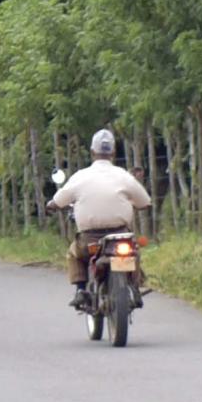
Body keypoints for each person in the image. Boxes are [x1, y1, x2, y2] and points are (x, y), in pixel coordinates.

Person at [48, 128, 151, 309]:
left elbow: (59, 200)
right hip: (120, 236)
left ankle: (81, 290)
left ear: (92, 152)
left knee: (73, 253)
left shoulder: (80, 176)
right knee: (133, 251)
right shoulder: (124, 176)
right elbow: (145, 202)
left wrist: (52, 205)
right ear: (113, 152)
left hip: (90, 240)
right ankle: (134, 286)